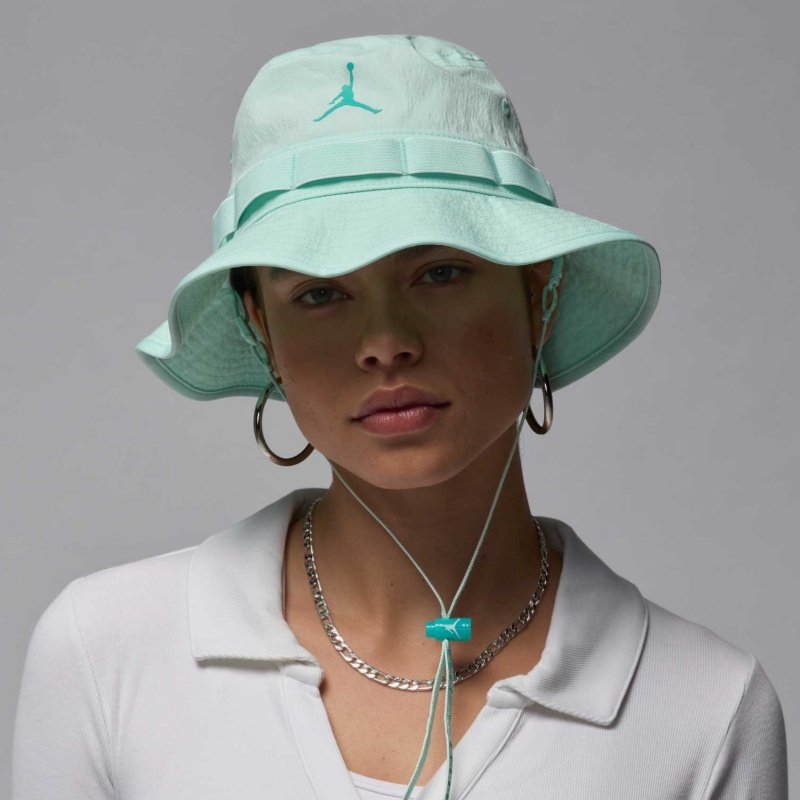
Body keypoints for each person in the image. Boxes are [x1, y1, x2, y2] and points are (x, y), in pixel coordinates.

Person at [11, 34, 788, 800]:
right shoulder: (105, 653)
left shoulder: (706, 711)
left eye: (440, 272)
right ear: (260, 328)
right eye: (319, 293)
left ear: (538, 292)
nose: (385, 343)